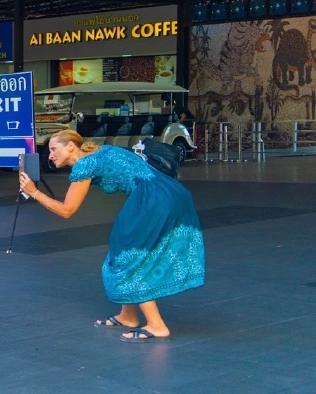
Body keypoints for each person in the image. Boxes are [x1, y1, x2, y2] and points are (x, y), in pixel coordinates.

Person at [19, 130, 205, 342]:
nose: (50, 155)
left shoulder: (84, 165)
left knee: (128, 256)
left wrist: (34, 192)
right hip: (171, 191)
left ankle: (156, 325)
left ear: (71, 146)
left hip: (152, 199)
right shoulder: (102, 151)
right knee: (124, 249)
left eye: (53, 149)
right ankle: (128, 315)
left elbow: (67, 210)